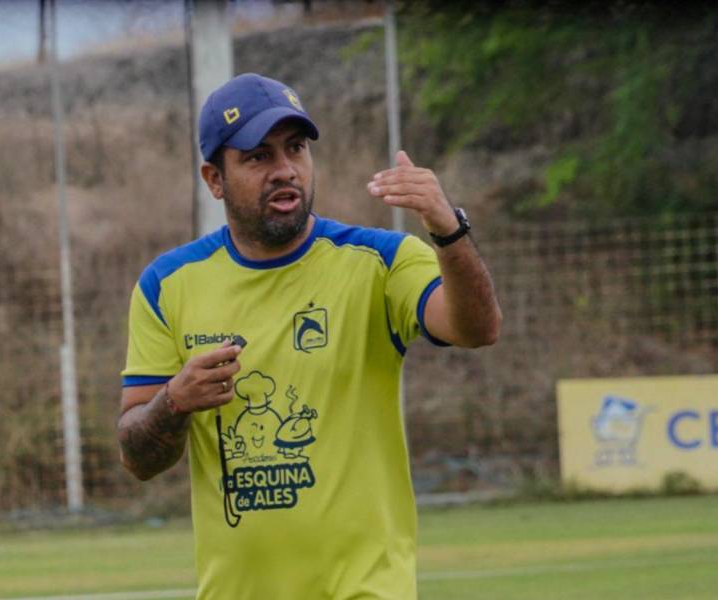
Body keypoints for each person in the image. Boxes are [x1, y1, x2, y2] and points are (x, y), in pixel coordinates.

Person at [117, 73, 501, 600]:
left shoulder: (383, 261)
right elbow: (136, 458)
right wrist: (174, 402)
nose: (285, 171)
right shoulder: (168, 285)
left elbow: (478, 329)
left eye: (295, 149)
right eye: (258, 156)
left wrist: (447, 231)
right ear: (214, 178)